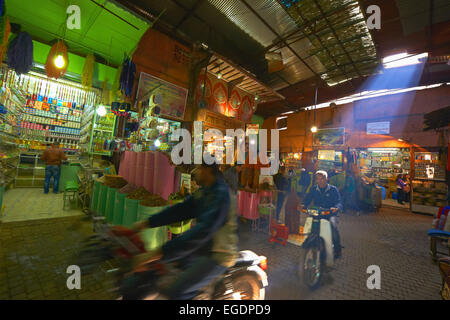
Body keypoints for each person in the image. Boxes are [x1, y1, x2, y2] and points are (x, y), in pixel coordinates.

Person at [132, 162, 238, 300]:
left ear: (207, 170)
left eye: (199, 168)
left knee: (176, 292)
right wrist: (146, 223)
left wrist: (158, 253)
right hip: (203, 248)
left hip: (218, 255)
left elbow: (202, 231)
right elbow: (180, 210)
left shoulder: (221, 194)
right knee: (160, 273)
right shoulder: (205, 191)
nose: (196, 171)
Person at [302, 170, 343, 258]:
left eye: (322, 179)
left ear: (327, 179)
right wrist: (303, 205)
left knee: (333, 228)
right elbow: (307, 200)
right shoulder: (313, 189)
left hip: (330, 214)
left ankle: (337, 249)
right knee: (309, 226)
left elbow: (339, 202)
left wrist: (336, 208)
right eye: (318, 179)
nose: (320, 181)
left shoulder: (333, 189)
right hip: (317, 214)